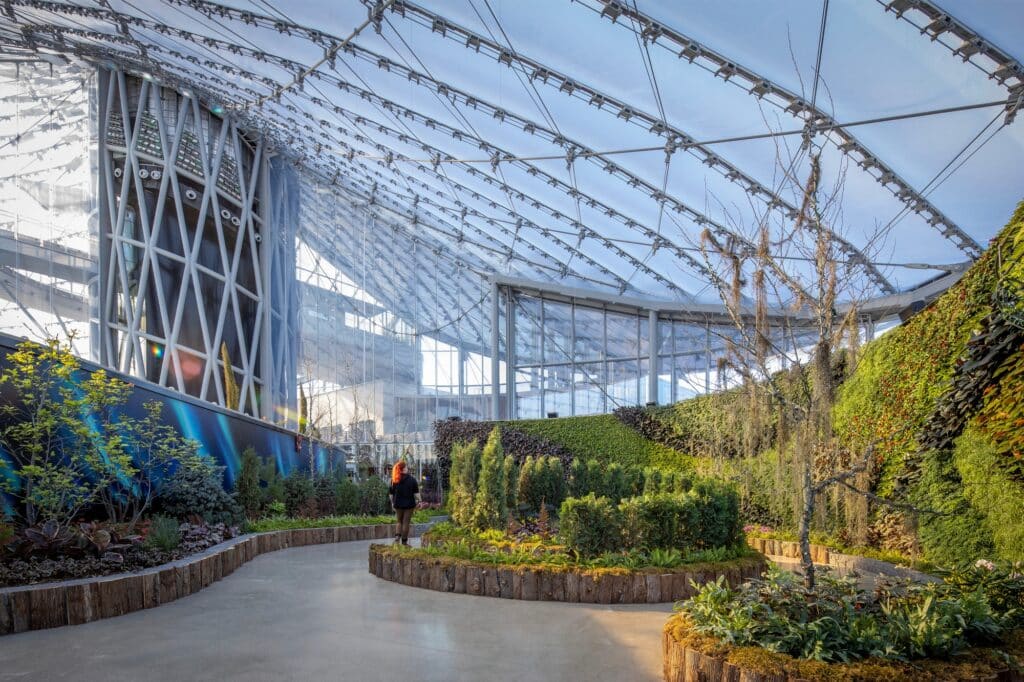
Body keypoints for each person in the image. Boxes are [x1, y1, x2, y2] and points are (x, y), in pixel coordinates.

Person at [388, 461, 419, 545]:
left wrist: (392, 503)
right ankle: (404, 542)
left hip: (397, 504)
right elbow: (416, 495)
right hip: (409, 505)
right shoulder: (412, 479)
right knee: (406, 522)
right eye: (406, 467)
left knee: (399, 521)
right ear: (404, 468)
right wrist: (419, 501)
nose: (407, 468)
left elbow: (391, 494)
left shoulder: (394, 479)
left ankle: (397, 537)